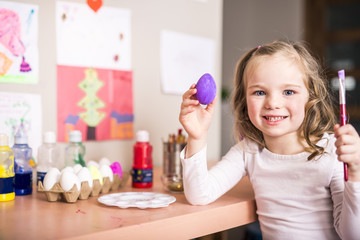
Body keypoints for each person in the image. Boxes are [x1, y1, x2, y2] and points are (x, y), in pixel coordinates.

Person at [179, 40, 360, 239]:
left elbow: (352, 235)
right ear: (244, 99)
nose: (273, 103)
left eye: (288, 92)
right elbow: (200, 195)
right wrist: (197, 136)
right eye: (259, 92)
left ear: (310, 96)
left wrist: (356, 173)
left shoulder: (333, 152)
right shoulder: (248, 152)